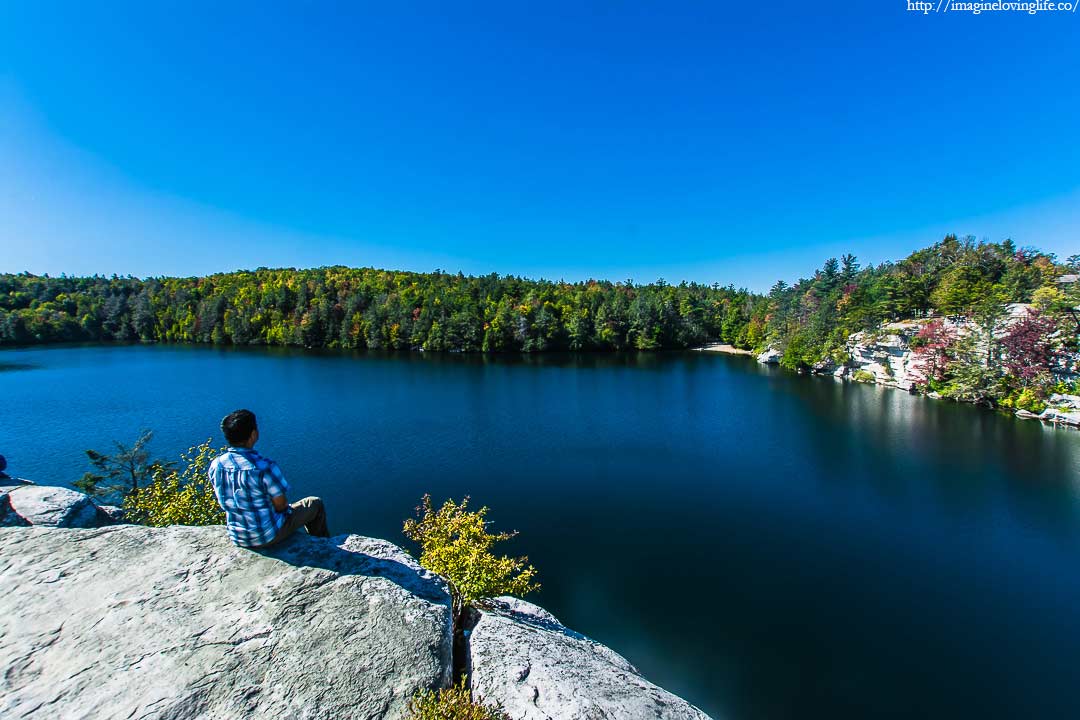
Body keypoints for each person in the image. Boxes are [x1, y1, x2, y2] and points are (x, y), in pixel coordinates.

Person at [208, 409, 329, 548]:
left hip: (237, 536)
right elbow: (281, 505)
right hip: (267, 536)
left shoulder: (216, 465)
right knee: (314, 504)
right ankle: (324, 546)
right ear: (253, 434)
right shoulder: (264, 467)